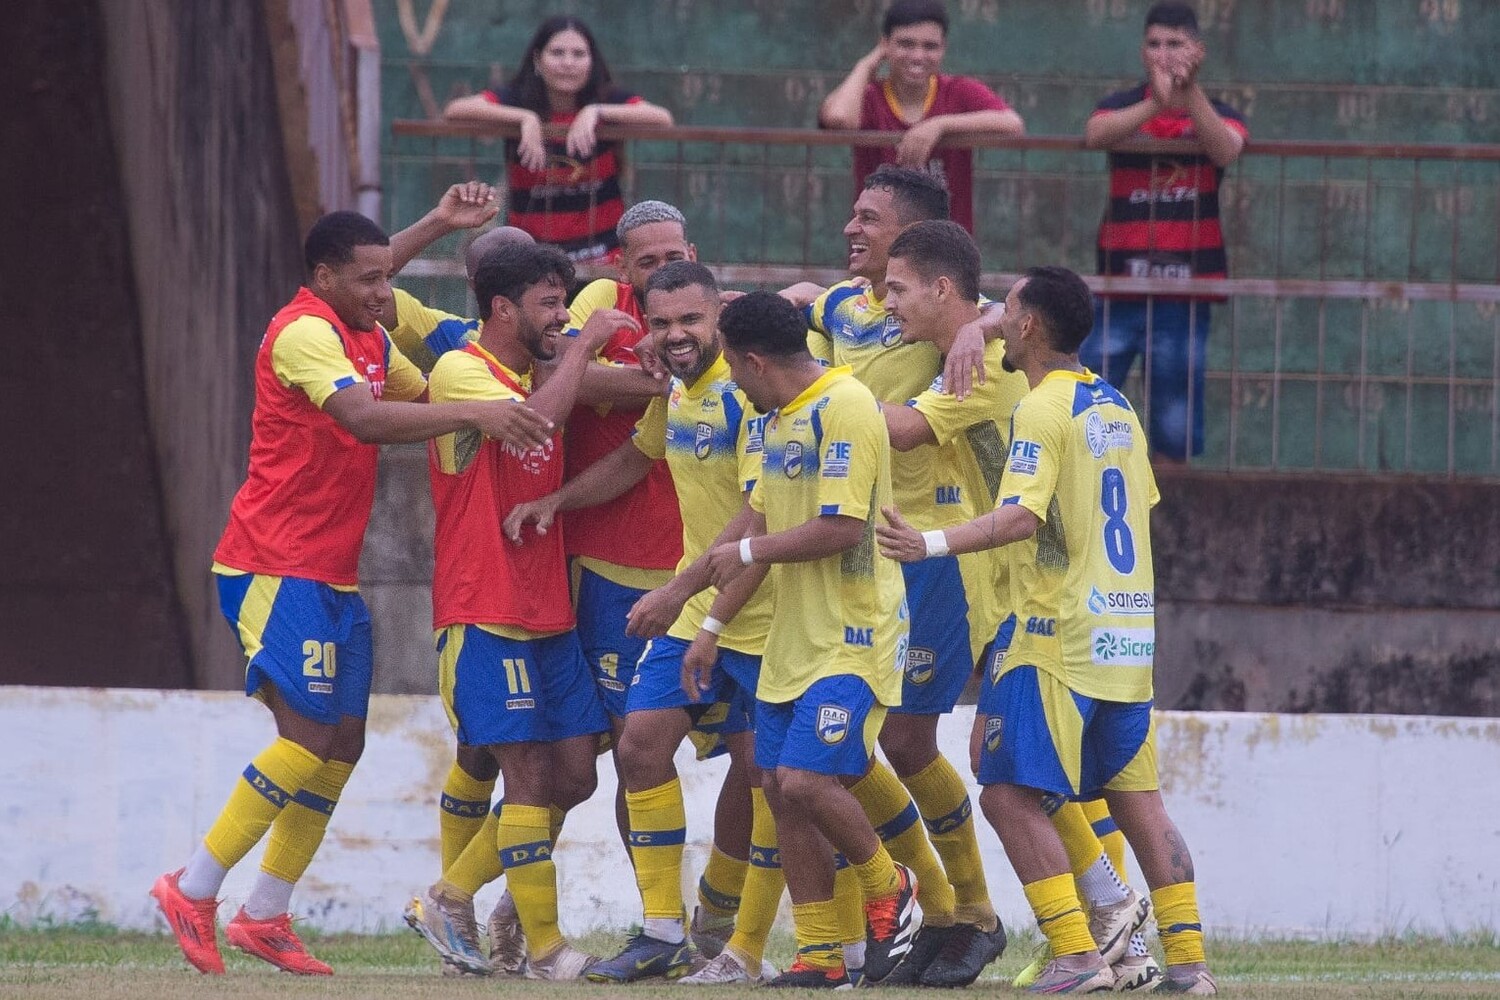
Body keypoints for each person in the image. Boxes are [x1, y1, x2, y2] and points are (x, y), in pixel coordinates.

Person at [149, 211, 556, 977]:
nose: (383, 290)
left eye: (388, 277)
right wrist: (476, 408)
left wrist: (498, 375)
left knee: (341, 747)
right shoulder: (305, 333)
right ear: (324, 279)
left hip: (332, 575)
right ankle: (191, 887)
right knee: (305, 742)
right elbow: (366, 420)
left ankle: (265, 913)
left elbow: (422, 393)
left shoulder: (367, 339)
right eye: (368, 279)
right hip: (272, 566)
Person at [878, 265, 1216, 995]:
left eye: (1009, 310)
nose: (998, 318)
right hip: (1125, 635)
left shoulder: (1041, 408)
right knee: (1138, 801)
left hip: (1055, 633)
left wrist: (929, 543)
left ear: (1028, 326)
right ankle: (1189, 967)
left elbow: (1022, 516)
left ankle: (1076, 953)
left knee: (1002, 788)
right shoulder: (1116, 405)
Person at [504, 261, 780, 985]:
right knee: (640, 748)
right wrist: (557, 501)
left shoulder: (753, 394)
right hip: (692, 606)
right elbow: (635, 456)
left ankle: (741, 936)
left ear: (718, 314)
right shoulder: (679, 393)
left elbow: (762, 515)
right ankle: (664, 929)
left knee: (767, 776)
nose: (675, 335)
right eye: (660, 323)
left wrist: (679, 588)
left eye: (690, 320)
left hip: (763, 605)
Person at [786, 165, 1005, 983]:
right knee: (853, 746)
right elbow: (800, 300)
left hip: (930, 557)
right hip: (858, 554)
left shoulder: (956, 321)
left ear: (912, 245)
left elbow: (1018, 310)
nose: (853, 229)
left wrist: (982, 326)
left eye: (869, 219)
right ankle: (938, 908)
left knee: (907, 739)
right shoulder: (848, 305)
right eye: (851, 214)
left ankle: (970, 913)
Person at [408, 241, 628, 981]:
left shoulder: (540, 364)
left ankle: (452, 893)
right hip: (483, 607)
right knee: (527, 776)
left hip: (548, 610)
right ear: (502, 309)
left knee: (575, 773)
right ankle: (546, 949)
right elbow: (533, 424)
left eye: (567, 302)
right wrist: (588, 345)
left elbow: (596, 387)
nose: (564, 315)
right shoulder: (460, 370)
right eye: (549, 303)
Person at [703, 292, 919, 989]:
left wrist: (740, 556)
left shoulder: (847, 406)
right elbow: (755, 524)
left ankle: (892, 886)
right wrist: (696, 611)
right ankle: (822, 954)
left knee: (805, 778)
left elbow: (840, 527)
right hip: (792, 640)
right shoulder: (774, 423)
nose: (730, 379)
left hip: (855, 634)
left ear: (753, 360)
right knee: (780, 788)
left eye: (731, 366)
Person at [1082, 0, 1248, 462]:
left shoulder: (1218, 111)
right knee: (1088, 405)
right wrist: (1156, 102)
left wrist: (1188, 94)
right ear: (1142, 51)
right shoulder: (1122, 105)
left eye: (1176, 44)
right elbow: (1096, 134)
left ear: (1198, 50)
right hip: (1118, 286)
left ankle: (1171, 524)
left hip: (1186, 292)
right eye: (1154, 44)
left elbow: (1226, 149)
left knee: (1175, 424)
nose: (1164, 53)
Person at [443, 16, 673, 262]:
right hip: (531, 254)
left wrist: (596, 111)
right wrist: (525, 118)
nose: (568, 63)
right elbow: (455, 110)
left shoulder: (607, 97)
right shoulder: (518, 98)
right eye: (557, 53)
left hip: (603, 253)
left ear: (592, 61)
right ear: (537, 58)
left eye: (578, 54)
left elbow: (662, 118)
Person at [818, 0, 1023, 233]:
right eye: (906, 44)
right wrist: (866, 64)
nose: (918, 55)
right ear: (885, 45)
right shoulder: (870, 96)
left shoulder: (957, 91)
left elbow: (1012, 124)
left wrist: (939, 126)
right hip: (876, 246)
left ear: (943, 48)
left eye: (930, 46)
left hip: (945, 247)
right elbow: (838, 119)